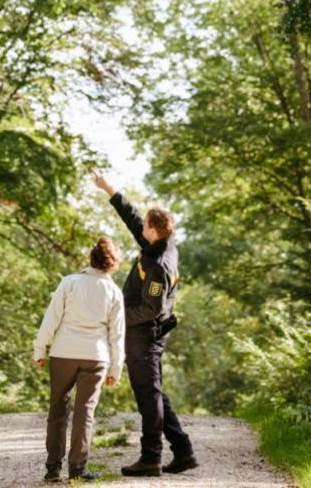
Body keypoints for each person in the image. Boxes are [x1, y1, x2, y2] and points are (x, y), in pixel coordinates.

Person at [93, 171, 198, 477]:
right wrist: (109, 189)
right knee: (154, 392)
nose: (142, 228)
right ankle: (183, 451)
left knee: (148, 396)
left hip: (144, 336)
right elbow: (131, 217)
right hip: (142, 336)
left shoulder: (159, 266)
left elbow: (151, 309)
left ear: (154, 231)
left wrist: (117, 315)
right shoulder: (157, 244)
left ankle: (151, 457)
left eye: (146, 227)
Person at [33, 236, 126, 483]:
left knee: (58, 409)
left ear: (91, 258)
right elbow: (117, 335)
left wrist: (39, 350)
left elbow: (51, 318)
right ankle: (77, 470)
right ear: (112, 264)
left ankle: (53, 469)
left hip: (63, 352)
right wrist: (115, 368)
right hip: (96, 357)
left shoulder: (70, 282)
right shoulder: (114, 291)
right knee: (85, 413)